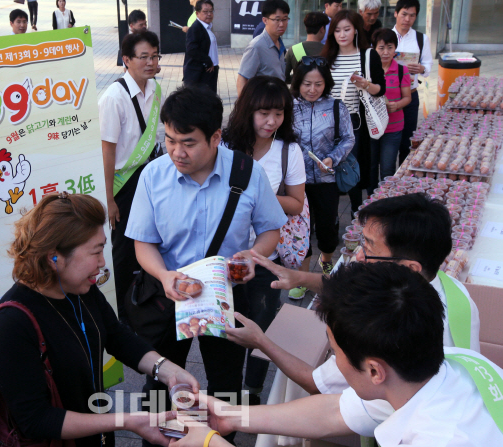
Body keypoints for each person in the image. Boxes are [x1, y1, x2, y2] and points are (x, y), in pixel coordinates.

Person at [170, 262, 503, 447]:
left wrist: (210, 444)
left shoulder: (442, 440)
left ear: (374, 371)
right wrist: (232, 415)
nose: (332, 360)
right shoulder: (456, 364)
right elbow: (334, 412)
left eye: (333, 349)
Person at [124, 85, 285, 445]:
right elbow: (143, 243)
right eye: (169, 140)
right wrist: (164, 275)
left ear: (215, 137)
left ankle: (217, 440)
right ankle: (162, 437)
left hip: (226, 295)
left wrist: (252, 255)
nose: (176, 152)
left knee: (225, 383)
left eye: (188, 142)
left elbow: (270, 230)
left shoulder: (246, 172)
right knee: (163, 379)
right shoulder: (153, 175)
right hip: (169, 296)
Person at [0, 193, 198, 447]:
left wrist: (167, 369)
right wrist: (128, 421)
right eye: (95, 252)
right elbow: (36, 419)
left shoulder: (78, 287)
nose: (102, 263)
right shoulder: (10, 324)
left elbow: (116, 335)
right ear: (54, 257)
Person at [229, 193, 481, 397]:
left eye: (369, 247)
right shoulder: (449, 287)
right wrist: (300, 277)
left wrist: (260, 341)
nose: (358, 255)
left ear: (409, 267)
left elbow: (316, 384)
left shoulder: (392, 326)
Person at [221, 76, 306, 404]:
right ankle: (226, 387)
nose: (272, 121)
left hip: (267, 256)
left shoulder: (289, 151)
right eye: (264, 113)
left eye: (280, 113)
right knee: (226, 324)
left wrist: (259, 194)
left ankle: (252, 390)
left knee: (262, 322)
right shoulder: (225, 146)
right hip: (226, 253)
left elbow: (296, 203)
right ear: (247, 111)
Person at [98, 31, 162, 324]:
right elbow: (107, 150)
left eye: (155, 55)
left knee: (150, 239)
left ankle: (146, 298)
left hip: (149, 177)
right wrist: (108, 198)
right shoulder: (113, 97)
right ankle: (121, 314)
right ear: (126, 60)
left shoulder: (155, 89)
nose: (151, 62)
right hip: (123, 184)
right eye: (144, 57)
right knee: (123, 250)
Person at [290, 58, 354, 294]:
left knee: (327, 227)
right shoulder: (288, 107)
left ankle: (326, 261)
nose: (312, 90)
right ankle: (303, 279)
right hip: (296, 181)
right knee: (300, 229)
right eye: (307, 84)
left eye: (318, 84)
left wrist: (332, 159)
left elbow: (348, 139)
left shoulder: (337, 107)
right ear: (298, 82)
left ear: (326, 84)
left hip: (326, 179)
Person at [322, 9, 385, 216]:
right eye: (337, 30)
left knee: (353, 168)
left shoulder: (367, 56)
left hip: (355, 123)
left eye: (347, 29)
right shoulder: (327, 57)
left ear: (356, 31)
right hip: (329, 123)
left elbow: (380, 90)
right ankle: (332, 218)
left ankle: (356, 215)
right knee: (329, 170)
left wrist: (365, 84)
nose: (342, 34)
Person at [368, 28, 412, 193]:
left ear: (395, 48)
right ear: (374, 49)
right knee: (371, 167)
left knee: (387, 168)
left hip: (393, 127)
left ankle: (386, 198)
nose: (386, 52)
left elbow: (408, 97)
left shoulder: (402, 70)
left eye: (390, 47)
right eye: (381, 48)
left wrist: (397, 105)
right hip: (372, 127)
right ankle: (372, 200)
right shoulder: (369, 71)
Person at [393, 0, 432, 164]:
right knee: (384, 139)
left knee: (407, 139)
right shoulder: (384, 36)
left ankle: (403, 173)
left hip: (411, 94)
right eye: (404, 14)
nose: (407, 19)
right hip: (389, 95)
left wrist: (421, 69)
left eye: (412, 15)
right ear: (396, 13)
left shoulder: (421, 39)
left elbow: (428, 64)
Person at [237, 0, 290, 95]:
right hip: (264, 105)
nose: (281, 24)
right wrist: (245, 107)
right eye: (277, 20)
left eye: (285, 19)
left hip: (279, 102)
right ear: (265, 20)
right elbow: (242, 79)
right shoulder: (256, 46)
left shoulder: (280, 43)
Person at [183, 0, 219, 93]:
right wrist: (207, 61)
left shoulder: (207, 27)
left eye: (211, 11)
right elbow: (192, 50)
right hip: (199, 73)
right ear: (197, 13)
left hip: (210, 71)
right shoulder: (195, 28)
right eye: (205, 11)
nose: (209, 14)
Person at [284, 12, 329, 83]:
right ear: (322, 29)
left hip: (298, 92)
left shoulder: (293, 50)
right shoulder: (329, 50)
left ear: (306, 28)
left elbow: (284, 76)